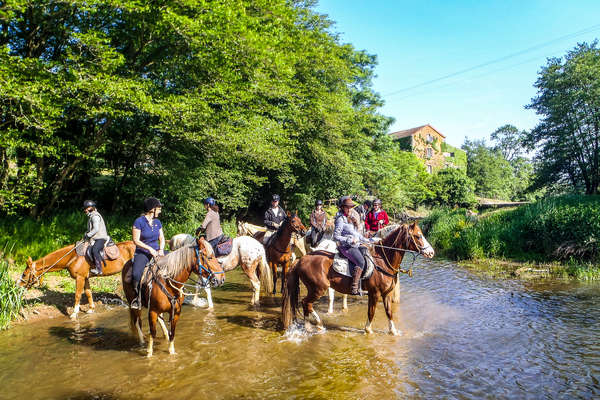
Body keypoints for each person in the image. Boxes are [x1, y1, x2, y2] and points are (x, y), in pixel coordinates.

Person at [334, 196, 377, 295]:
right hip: (345, 246)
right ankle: (354, 288)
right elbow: (336, 236)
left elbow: (356, 234)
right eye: (348, 207)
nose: (350, 209)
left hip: (354, 245)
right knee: (361, 261)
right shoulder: (340, 219)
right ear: (343, 207)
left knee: (367, 253)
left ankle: (364, 283)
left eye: (351, 207)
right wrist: (348, 240)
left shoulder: (350, 218)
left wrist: (368, 240)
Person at [130, 197, 165, 309]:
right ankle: (137, 298)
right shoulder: (138, 222)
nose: (160, 211)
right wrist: (150, 250)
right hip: (143, 252)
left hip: (157, 251)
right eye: (158, 208)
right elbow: (136, 240)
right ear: (152, 209)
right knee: (136, 274)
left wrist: (161, 249)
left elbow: (162, 238)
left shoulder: (157, 222)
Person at [83, 200, 109, 275]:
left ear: (91, 208)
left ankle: (99, 269)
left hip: (100, 238)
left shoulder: (95, 216)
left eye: (86, 208)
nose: (85, 210)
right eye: (85, 209)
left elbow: (96, 229)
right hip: (96, 238)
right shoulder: (91, 216)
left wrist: (88, 235)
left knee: (95, 250)